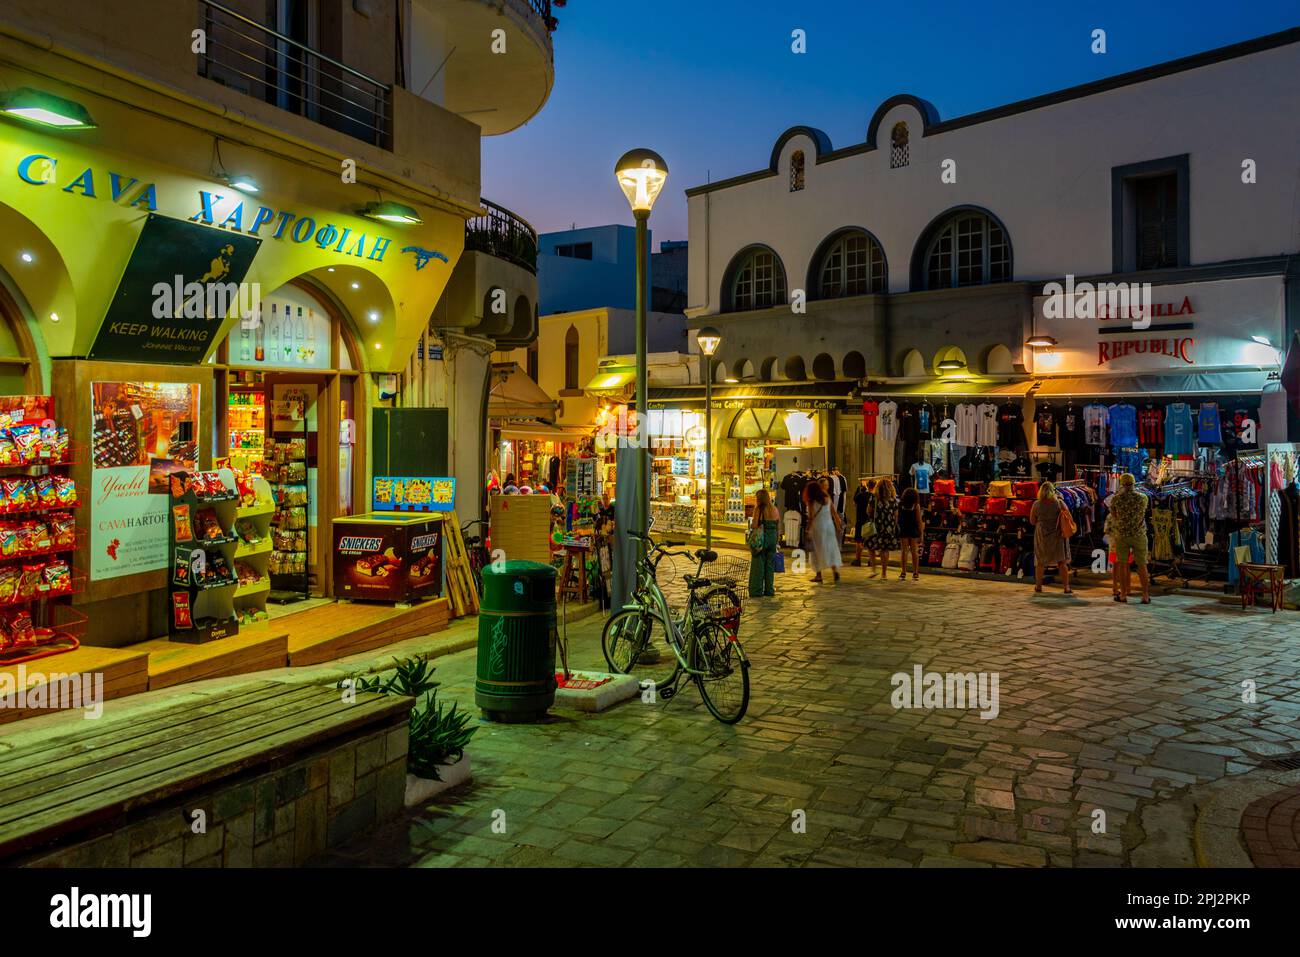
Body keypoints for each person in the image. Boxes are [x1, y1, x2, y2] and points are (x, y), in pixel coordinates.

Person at [1108, 471, 1151, 603]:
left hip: (1122, 535)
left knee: (1122, 564)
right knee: (1142, 565)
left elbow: (1114, 516)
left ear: (1121, 483)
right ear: (1134, 483)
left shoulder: (1116, 499)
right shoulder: (1143, 497)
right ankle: (1145, 595)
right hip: (1139, 535)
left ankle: (1123, 595)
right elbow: (1144, 513)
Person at [1029, 481, 1072, 594]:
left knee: (1040, 562)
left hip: (1041, 535)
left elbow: (1032, 521)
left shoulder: (1036, 504)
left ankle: (1038, 586)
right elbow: (1068, 516)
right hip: (1057, 535)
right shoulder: (1059, 503)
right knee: (1061, 562)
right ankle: (1066, 587)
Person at [806, 481, 842, 583]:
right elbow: (834, 512)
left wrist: (808, 529)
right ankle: (835, 570)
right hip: (829, 527)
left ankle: (819, 575)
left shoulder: (811, 501)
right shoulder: (827, 498)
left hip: (818, 528)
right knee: (830, 548)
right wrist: (838, 526)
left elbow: (811, 517)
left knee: (817, 551)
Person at [747, 488, 780, 597]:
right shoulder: (775, 509)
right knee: (769, 565)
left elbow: (755, 524)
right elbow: (778, 526)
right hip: (772, 538)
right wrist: (776, 539)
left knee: (758, 564)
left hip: (762, 539)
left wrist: (751, 526)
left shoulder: (759, 509)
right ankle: (769, 590)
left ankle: (756, 590)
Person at [866, 479, 899, 580]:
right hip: (888, 528)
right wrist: (893, 526)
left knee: (871, 547)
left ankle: (874, 569)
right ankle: (884, 574)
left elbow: (868, 511)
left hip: (876, 527)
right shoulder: (893, 500)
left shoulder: (874, 498)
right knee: (885, 550)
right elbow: (896, 515)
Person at [897, 486, 924, 581]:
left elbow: (897, 518)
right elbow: (919, 521)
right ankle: (915, 572)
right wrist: (921, 534)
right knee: (914, 552)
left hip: (904, 528)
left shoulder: (900, 505)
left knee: (904, 551)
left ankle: (903, 572)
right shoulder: (916, 506)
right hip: (913, 529)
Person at [852, 478, 875, 567]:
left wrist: (860, 489)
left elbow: (854, 504)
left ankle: (858, 559)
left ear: (867, 485)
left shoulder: (860, 495)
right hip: (869, 521)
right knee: (870, 542)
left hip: (860, 519)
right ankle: (870, 560)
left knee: (859, 541)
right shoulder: (874, 497)